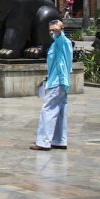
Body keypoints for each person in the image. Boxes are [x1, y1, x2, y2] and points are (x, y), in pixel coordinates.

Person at [31, 19, 72, 151]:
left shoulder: (62, 42)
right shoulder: (57, 44)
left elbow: (60, 36)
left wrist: (58, 29)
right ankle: (59, 140)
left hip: (57, 82)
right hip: (59, 81)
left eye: (53, 30)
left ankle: (43, 142)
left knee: (47, 110)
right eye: (50, 30)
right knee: (59, 111)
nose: (51, 32)